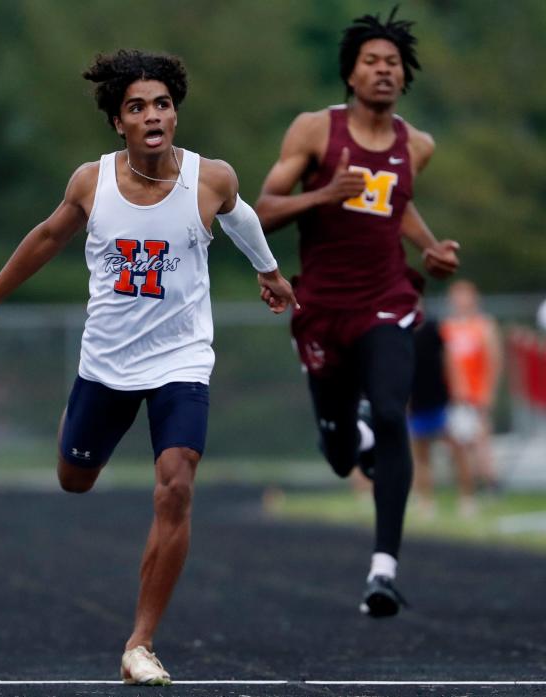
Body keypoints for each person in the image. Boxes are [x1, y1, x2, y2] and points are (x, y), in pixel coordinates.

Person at [0, 50, 296, 685]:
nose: (153, 115)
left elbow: (239, 215)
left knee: (177, 484)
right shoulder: (92, 183)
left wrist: (267, 270)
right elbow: (46, 238)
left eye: (162, 103)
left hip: (182, 357)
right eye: (137, 107)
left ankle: (141, 643)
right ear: (119, 124)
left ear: (175, 112)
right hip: (107, 361)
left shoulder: (210, 178)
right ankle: (73, 427)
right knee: (74, 479)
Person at [254, 8, 460, 617]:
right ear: (350, 72)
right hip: (320, 308)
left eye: (392, 63)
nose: (382, 72)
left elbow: (397, 206)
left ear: (404, 76)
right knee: (342, 452)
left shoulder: (416, 145)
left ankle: (384, 570)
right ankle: (354, 432)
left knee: (394, 413)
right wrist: (323, 194)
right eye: (371, 61)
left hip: (386, 300)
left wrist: (429, 248)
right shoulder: (316, 131)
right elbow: (260, 209)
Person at [408, 314, 476, 518]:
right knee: (420, 454)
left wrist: (458, 390)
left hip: (442, 399)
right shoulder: (397, 332)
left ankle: (467, 498)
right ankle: (426, 501)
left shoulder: (433, 327)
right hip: (416, 403)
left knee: (458, 450)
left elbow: (449, 359)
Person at [442, 280, 502, 492]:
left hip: (476, 393)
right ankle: (468, 483)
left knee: (480, 439)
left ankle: (490, 481)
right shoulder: (448, 326)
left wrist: (488, 391)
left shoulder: (484, 325)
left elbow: (494, 360)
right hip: (454, 395)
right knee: (457, 442)